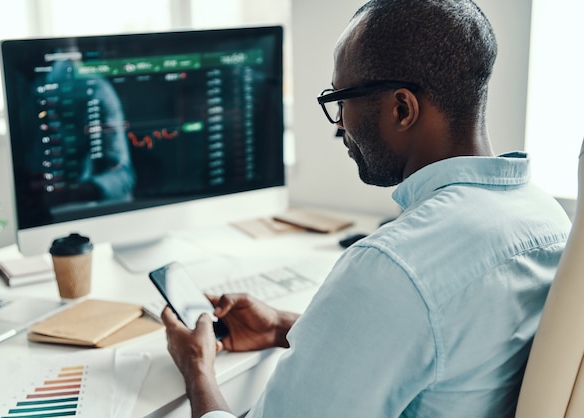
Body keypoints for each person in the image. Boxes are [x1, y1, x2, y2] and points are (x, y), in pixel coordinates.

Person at [161, 0, 573, 417]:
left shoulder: (391, 268)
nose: (339, 125)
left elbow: (408, 304)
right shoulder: (550, 220)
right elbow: (450, 349)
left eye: (341, 100)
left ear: (402, 109)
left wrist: (197, 369)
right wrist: (286, 326)